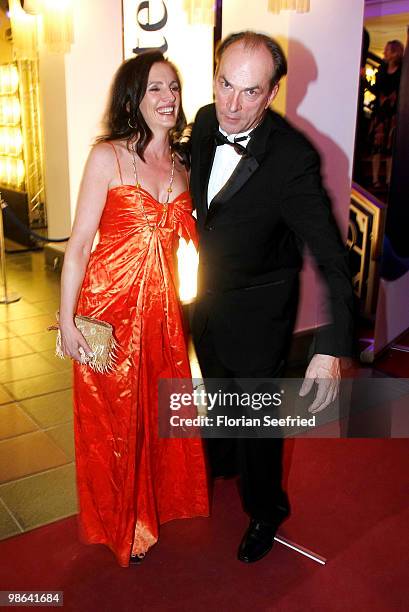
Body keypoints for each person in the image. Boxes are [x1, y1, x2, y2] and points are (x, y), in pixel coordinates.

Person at [190, 31, 354, 563]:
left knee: (259, 423)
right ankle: (221, 465)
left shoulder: (292, 159)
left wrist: (329, 349)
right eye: (225, 84)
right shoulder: (204, 121)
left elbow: (334, 258)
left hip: (261, 315)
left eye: (251, 92)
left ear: (274, 92)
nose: (232, 105)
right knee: (218, 401)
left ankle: (266, 511)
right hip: (207, 304)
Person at [59, 51, 209, 568]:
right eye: (155, 90)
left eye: (173, 88)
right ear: (133, 98)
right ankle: (121, 523)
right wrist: (67, 321)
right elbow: (78, 246)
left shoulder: (186, 163)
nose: (168, 99)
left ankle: (151, 509)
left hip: (163, 314)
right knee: (113, 423)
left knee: (154, 415)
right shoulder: (108, 156)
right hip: (109, 310)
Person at [369, 39, 404, 190]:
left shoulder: (402, 69)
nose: (384, 52)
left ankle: (389, 180)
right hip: (381, 112)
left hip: (394, 113)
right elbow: (376, 88)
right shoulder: (382, 68)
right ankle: (376, 179)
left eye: (387, 50)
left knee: (391, 148)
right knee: (377, 147)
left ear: (395, 53)